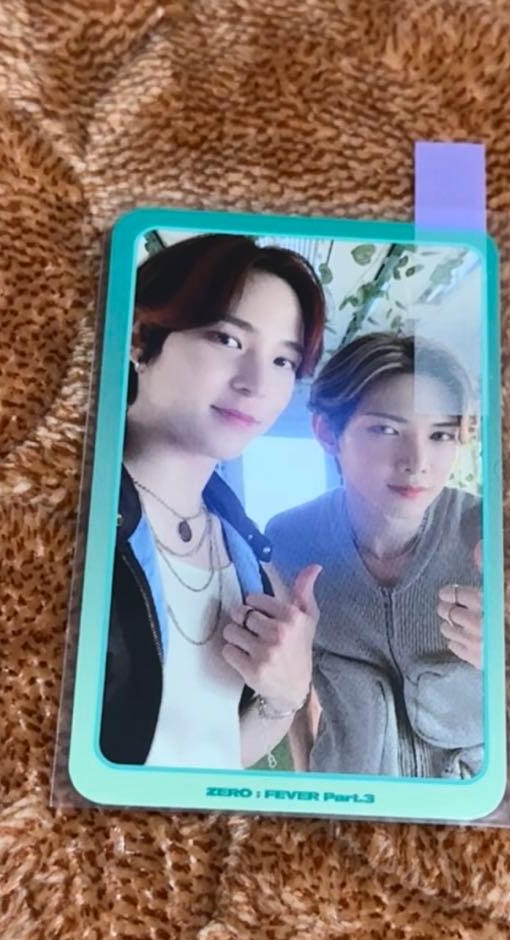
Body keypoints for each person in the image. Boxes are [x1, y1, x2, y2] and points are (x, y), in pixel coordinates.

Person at [100, 232, 326, 770]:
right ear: (140, 338)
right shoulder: (70, 516)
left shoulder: (245, 552)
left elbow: (215, 755)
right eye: (228, 339)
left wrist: (285, 695)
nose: (257, 383)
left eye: (283, 361)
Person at [266, 332, 484, 779]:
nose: (417, 461)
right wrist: (309, 782)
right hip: (349, 799)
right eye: (386, 430)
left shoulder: (491, 536)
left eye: (440, 434)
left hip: (471, 806)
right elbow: (295, 687)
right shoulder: (288, 540)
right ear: (327, 433)